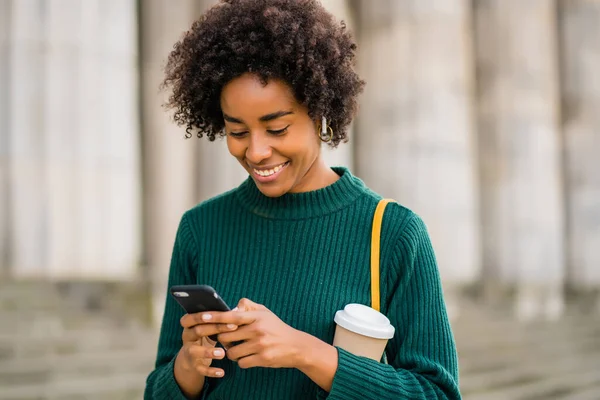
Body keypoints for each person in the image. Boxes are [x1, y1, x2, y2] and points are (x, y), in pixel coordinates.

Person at [144, 0, 460, 399]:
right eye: (237, 132)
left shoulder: (394, 232)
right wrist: (186, 368)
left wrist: (306, 352)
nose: (256, 152)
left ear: (320, 111)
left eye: (276, 128)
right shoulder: (200, 228)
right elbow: (157, 390)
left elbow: (438, 393)